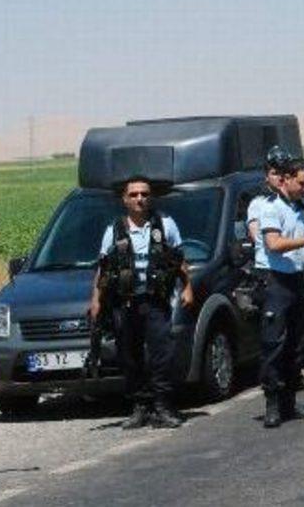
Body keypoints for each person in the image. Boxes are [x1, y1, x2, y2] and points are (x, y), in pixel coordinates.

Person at [89, 176, 193, 430]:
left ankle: (163, 406)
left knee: (161, 355)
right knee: (129, 356)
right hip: (125, 303)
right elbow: (103, 269)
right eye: (134, 194)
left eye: (144, 194)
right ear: (124, 199)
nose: (140, 199)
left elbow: (179, 259)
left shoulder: (165, 224)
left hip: (156, 301)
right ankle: (140, 406)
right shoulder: (114, 230)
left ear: (151, 198)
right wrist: (96, 300)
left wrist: (188, 287)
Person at [255, 158, 304, 427]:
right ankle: (272, 403)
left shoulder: (298, 209)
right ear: (286, 179)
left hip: (296, 279)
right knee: (274, 343)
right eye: (301, 183)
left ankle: (289, 401)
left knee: (296, 343)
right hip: (274, 280)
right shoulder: (271, 208)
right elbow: (274, 243)